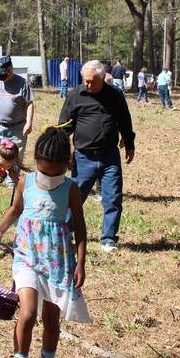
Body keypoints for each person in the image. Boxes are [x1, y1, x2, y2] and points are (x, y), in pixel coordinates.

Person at [0, 127, 90, 358]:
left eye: (55, 174)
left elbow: (80, 226)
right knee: (27, 313)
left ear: (67, 164)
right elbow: (15, 209)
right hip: (27, 257)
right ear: (35, 162)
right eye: (43, 172)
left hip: (58, 261)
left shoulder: (70, 189)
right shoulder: (26, 182)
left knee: (52, 320)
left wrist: (81, 262)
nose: (48, 178)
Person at [59, 60, 135, 252]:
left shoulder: (115, 95)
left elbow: (125, 120)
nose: (88, 85)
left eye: (93, 81)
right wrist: (63, 153)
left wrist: (129, 143)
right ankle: (65, 234)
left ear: (103, 78)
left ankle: (108, 239)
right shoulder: (75, 95)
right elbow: (64, 126)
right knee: (74, 198)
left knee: (113, 198)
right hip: (83, 157)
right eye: (86, 81)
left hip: (110, 157)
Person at [0, 56, 35, 187]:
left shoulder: (22, 83)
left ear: (10, 69)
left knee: (16, 155)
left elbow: (29, 104)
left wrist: (29, 122)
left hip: (17, 128)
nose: (0, 75)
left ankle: (11, 182)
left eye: (2, 72)